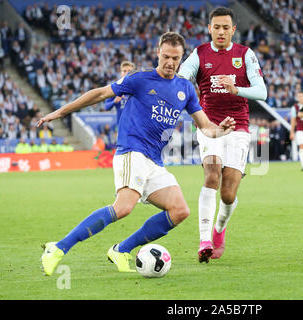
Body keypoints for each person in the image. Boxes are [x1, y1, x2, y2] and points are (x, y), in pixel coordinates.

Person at [38, 32, 236, 276]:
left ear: (182, 58)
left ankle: (121, 250)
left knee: (179, 210)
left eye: (175, 58)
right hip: (132, 151)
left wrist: (221, 130)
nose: (170, 63)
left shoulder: (185, 88)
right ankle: (58, 248)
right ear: (157, 53)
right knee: (123, 207)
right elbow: (100, 93)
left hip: (154, 161)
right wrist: (60, 113)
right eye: (166, 57)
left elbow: (206, 126)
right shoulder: (139, 79)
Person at [178, 7, 267, 263]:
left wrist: (236, 89)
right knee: (212, 173)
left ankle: (219, 230)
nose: (220, 31)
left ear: (233, 30)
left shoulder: (244, 54)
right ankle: (204, 239)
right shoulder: (199, 54)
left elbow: (262, 92)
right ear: (209, 28)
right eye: (216, 27)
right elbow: (182, 80)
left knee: (228, 193)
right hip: (209, 126)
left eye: (225, 27)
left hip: (238, 127)